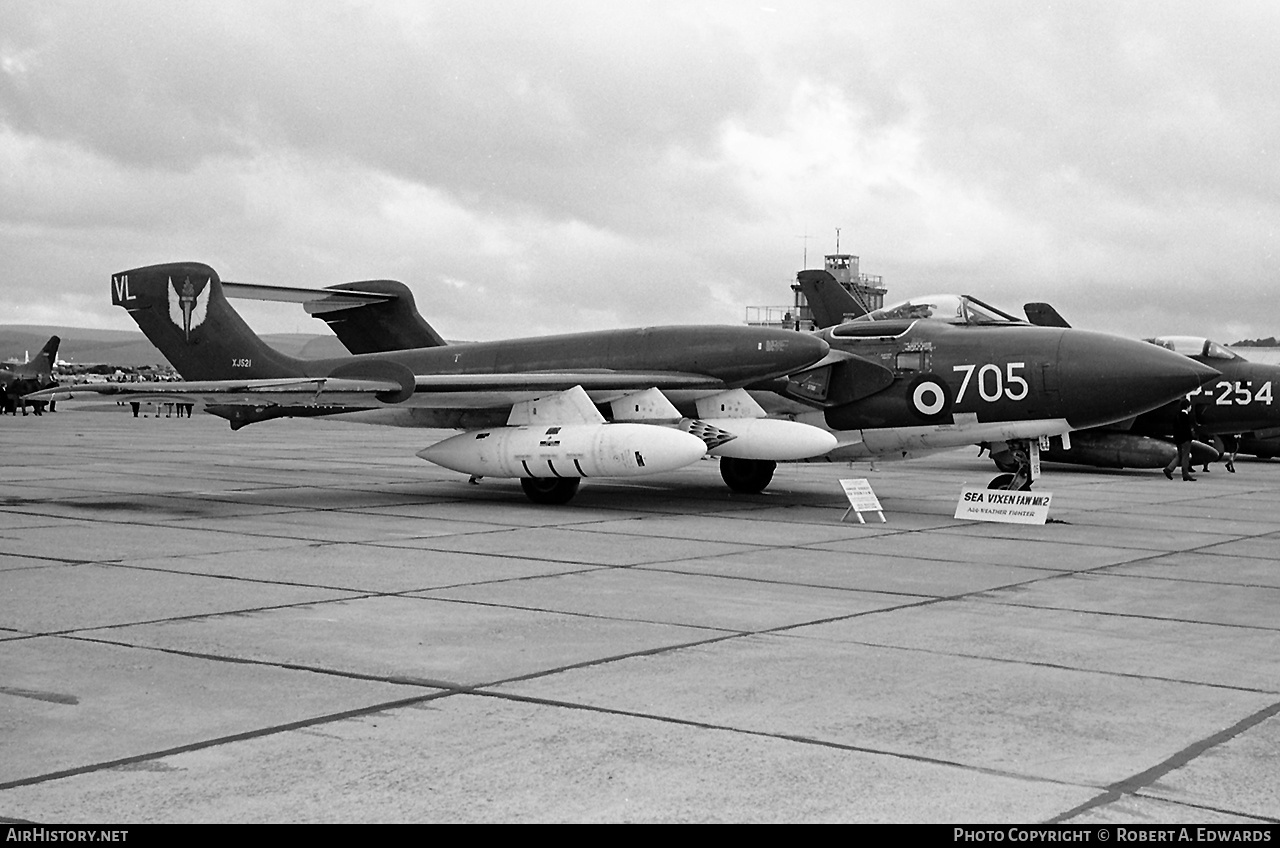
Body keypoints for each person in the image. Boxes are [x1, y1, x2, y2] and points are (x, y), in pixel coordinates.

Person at [1163, 398, 1196, 481]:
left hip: (1178, 439)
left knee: (1180, 455)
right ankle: (1185, 474)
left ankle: (1169, 469)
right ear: (1188, 407)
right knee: (1185, 456)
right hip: (1185, 440)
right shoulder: (1186, 416)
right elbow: (1187, 429)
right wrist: (1191, 437)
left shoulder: (1177, 416)